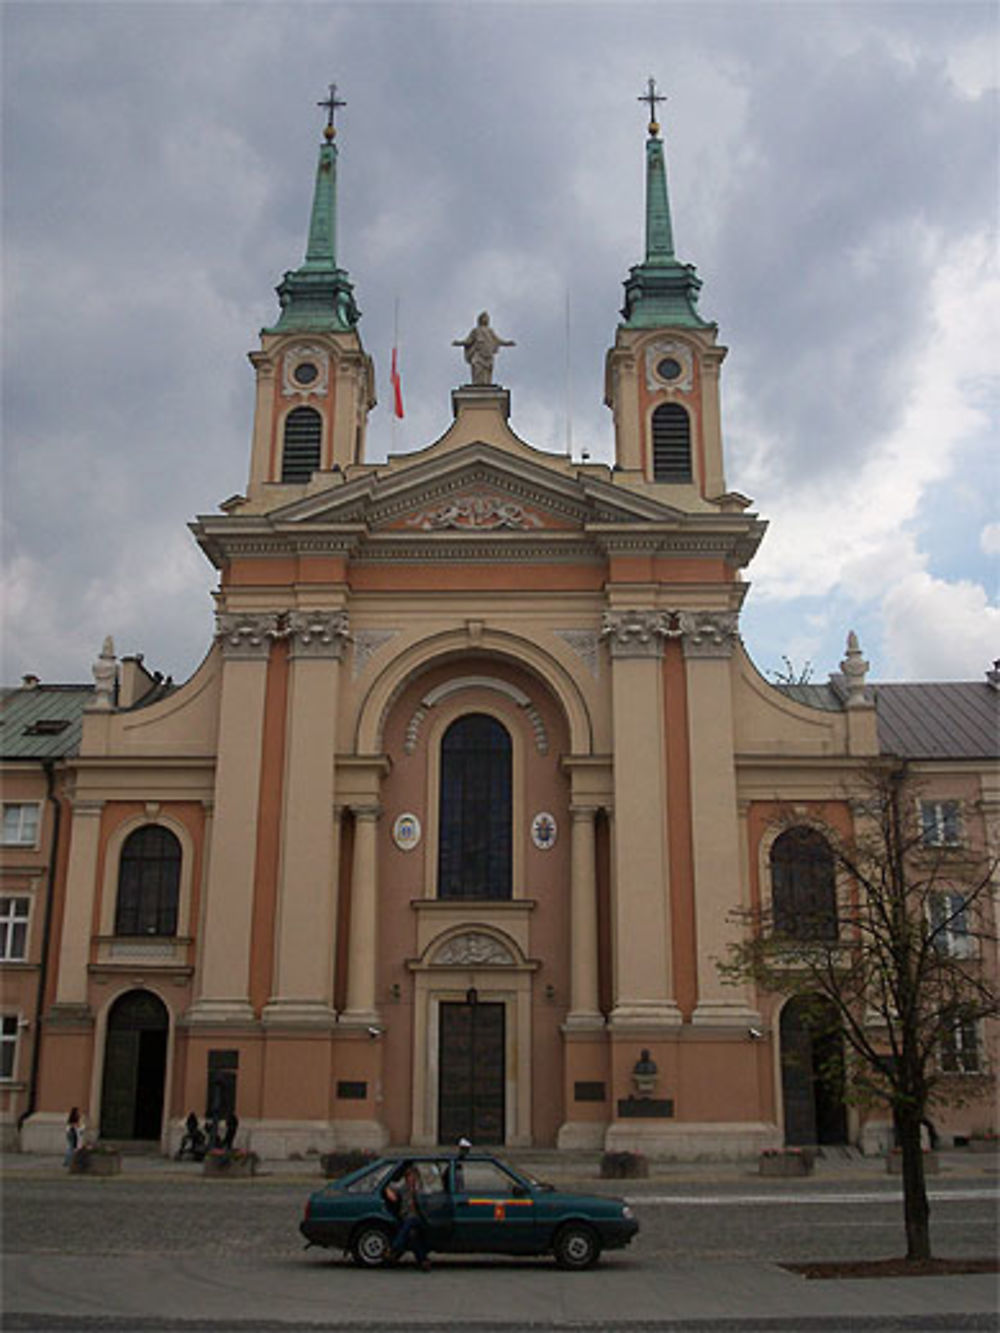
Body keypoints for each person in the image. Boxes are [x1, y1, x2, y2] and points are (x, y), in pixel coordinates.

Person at [386, 1163, 431, 1270]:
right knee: (412, 1235)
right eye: (409, 1177)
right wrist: (387, 1190)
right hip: (407, 1217)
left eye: (413, 1177)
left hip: (420, 1218)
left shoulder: (421, 1189)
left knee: (411, 1222)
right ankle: (423, 1260)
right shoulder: (403, 1188)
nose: (411, 1179)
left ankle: (394, 1248)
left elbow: (429, 1196)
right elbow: (391, 1192)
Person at [452, 311, 515, 386]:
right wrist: (459, 343)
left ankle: (486, 383)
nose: (486, 319)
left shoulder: (490, 331)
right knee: (477, 367)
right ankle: (477, 384)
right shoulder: (476, 331)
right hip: (478, 352)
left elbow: (497, 340)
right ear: (480, 319)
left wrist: (507, 343)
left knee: (488, 368)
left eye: (487, 318)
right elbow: (468, 341)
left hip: (488, 352)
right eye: (484, 318)